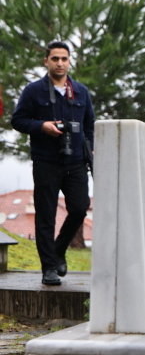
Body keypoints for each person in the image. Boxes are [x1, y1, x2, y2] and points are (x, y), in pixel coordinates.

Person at [11, 41, 94, 286]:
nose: (60, 63)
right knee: (45, 215)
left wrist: (89, 150)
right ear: (46, 61)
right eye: (55, 58)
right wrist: (42, 126)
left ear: (69, 61)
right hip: (46, 161)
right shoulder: (33, 91)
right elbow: (18, 120)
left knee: (80, 208)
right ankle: (48, 267)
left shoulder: (81, 92)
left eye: (64, 59)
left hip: (76, 161)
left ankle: (58, 250)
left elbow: (89, 125)